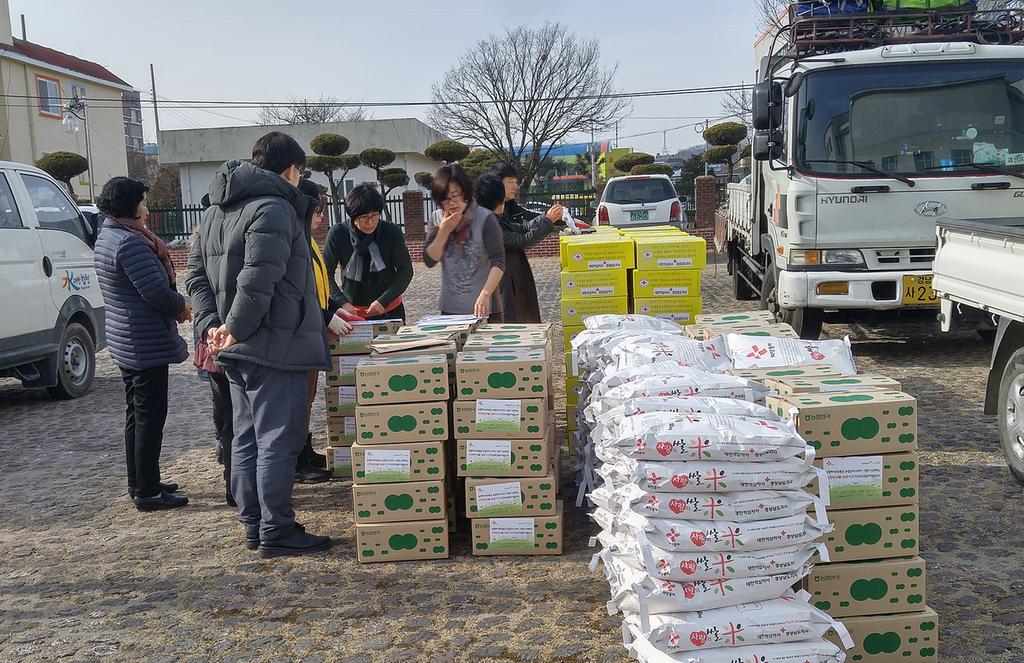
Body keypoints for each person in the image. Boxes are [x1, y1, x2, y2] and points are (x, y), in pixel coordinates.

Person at [186, 131, 333, 558]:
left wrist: (213, 326)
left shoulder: (214, 212)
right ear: (291, 169)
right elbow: (257, 279)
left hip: (234, 346)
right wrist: (231, 327)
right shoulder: (274, 207)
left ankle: (254, 523)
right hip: (274, 345)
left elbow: (196, 278)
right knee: (277, 440)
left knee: (246, 438)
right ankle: (276, 528)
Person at [93, 177, 190, 512]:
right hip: (142, 341)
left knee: (136, 415)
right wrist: (182, 307)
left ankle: (141, 480)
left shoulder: (109, 234)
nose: (147, 209)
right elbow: (155, 293)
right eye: (144, 202)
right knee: (150, 417)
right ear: (130, 206)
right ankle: (147, 491)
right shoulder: (130, 243)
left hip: (127, 339)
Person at [295, 179, 352, 484]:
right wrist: (325, 316)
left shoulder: (310, 240)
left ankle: (304, 450)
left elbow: (319, 285)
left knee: (308, 395)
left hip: (314, 329)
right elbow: (298, 293)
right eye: (318, 210)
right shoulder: (296, 241)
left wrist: (332, 308)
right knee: (299, 398)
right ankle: (296, 460)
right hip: (302, 333)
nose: (321, 217)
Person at [192, 195, 235, 507]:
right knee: (236, 420)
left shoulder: (202, 234)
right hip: (224, 341)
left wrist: (207, 326)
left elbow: (195, 284)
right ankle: (237, 487)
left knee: (227, 416)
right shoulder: (235, 231)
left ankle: (234, 484)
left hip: (212, 342)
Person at [423, 164, 505, 320]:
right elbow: (429, 260)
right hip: (450, 310)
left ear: (465, 193)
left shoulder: (485, 218)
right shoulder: (437, 218)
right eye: (445, 199)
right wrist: (443, 231)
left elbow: (498, 261)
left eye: (455, 195)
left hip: (485, 309)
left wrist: (486, 293)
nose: (451, 203)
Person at [323, 184, 413, 322]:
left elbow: (406, 270)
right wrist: (341, 301)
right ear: (353, 216)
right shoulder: (338, 233)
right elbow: (325, 272)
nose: (370, 222)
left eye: (375, 215)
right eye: (364, 217)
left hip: (389, 309)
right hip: (351, 311)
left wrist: (384, 300)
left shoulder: (391, 232)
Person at [490, 163, 566, 323]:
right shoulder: (488, 215)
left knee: (520, 316)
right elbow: (520, 240)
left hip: (514, 272)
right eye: (510, 182)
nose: (515, 186)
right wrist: (547, 220)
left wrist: (552, 218)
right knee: (508, 320)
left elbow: (525, 224)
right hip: (501, 278)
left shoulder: (508, 205)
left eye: (516, 182)